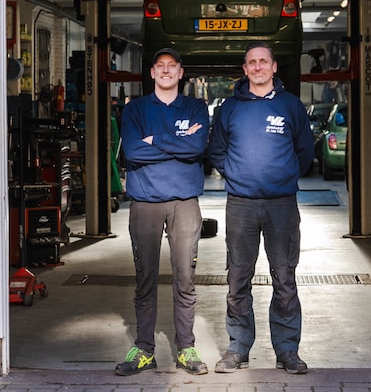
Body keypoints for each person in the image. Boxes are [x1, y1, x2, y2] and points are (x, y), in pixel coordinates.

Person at [206, 42, 315, 375]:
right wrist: (239, 174)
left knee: (284, 278)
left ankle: (287, 350)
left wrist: (281, 176)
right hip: (241, 205)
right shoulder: (229, 108)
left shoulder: (291, 106)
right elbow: (216, 151)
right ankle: (238, 347)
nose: (257, 67)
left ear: (274, 67)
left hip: (282, 205)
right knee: (238, 277)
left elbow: (305, 151)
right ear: (244, 69)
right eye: (251, 62)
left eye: (262, 61)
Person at [114, 48, 211, 376]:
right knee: (145, 279)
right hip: (145, 203)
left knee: (185, 278)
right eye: (161, 67)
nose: (167, 71)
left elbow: (197, 147)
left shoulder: (196, 106)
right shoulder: (136, 110)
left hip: (185, 203)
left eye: (173, 66)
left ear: (181, 73)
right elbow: (133, 151)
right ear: (152, 73)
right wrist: (178, 140)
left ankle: (186, 348)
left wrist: (156, 140)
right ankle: (144, 349)